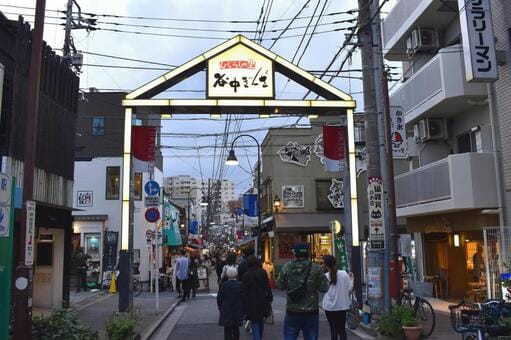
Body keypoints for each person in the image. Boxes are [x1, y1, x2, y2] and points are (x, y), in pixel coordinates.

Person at [277, 243, 329, 340]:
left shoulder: (286, 267)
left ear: (295, 254)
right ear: (308, 254)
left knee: (289, 337)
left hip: (292, 311)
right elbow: (324, 288)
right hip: (311, 312)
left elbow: (280, 285)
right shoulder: (316, 268)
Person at [322, 255, 353, 340]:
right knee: (342, 330)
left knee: (333, 329)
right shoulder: (343, 274)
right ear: (335, 263)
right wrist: (352, 279)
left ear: (325, 265)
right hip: (342, 306)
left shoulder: (325, 277)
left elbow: (322, 290)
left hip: (329, 307)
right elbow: (349, 289)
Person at [242, 255, 273, 340]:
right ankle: (259, 336)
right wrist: (270, 298)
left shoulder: (246, 274)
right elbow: (267, 286)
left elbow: (244, 290)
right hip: (262, 299)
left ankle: (257, 338)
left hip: (251, 300)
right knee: (260, 320)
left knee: (254, 320)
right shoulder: (262, 272)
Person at [217, 266, 245, 340]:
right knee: (236, 327)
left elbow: (219, 298)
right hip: (237, 308)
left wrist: (220, 308)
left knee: (227, 328)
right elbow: (243, 298)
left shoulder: (224, 285)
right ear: (236, 274)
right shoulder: (240, 285)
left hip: (226, 308)